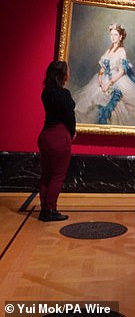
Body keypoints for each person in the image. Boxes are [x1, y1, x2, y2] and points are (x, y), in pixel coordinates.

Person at [74, 23, 135, 126]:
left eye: (116, 35)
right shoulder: (108, 50)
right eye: (111, 35)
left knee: (113, 105)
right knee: (93, 99)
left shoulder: (122, 51)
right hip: (105, 78)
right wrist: (100, 77)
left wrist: (109, 83)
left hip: (117, 80)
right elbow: (103, 67)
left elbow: (122, 71)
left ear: (121, 37)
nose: (113, 37)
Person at [37, 60, 76, 222]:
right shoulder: (64, 94)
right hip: (59, 136)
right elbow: (70, 117)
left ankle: (44, 208)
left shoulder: (46, 92)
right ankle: (50, 210)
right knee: (58, 176)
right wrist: (72, 133)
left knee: (46, 174)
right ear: (63, 75)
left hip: (45, 135)